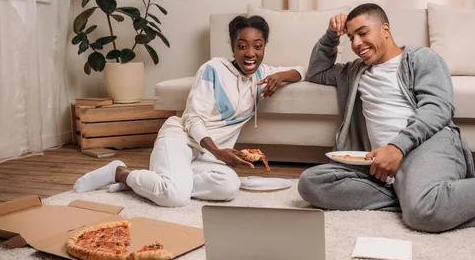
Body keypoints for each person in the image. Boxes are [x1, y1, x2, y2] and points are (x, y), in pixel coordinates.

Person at [297, 3, 475, 233]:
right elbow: (316, 72)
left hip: (427, 145)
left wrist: (397, 147)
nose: (356, 44)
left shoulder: (421, 59)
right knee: (311, 183)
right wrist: (332, 35)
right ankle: (413, 193)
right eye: (351, 37)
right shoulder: (353, 73)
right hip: (377, 162)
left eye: (363, 33)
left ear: (385, 30)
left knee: (423, 214)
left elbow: (438, 108)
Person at [74, 15, 304, 207]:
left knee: (229, 186)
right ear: (233, 47)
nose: (250, 53)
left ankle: (166, 179)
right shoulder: (212, 69)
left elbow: (302, 70)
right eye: (242, 46)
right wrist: (218, 152)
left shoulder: (263, 75)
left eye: (258, 45)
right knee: (176, 198)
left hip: (204, 157)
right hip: (180, 139)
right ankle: (121, 173)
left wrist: (280, 76)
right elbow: (192, 119)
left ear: (264, 47)